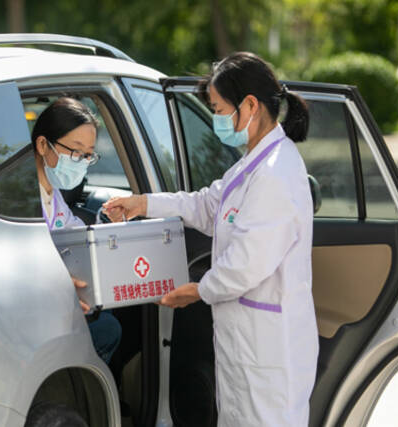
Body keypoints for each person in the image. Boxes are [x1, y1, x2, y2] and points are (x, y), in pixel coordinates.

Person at [104, 52, 318, 426]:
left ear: (250, 105)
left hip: (267, 350)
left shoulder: (275, 174)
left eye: (219, 110)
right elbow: (206, 205)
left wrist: (196, 290)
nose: (217, 120)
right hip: (247, 345)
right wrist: (143, 203)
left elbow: (245, 265)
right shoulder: (252, 165)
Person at [31, 97, 121, 364]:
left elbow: (78, 239)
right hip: (35, 308)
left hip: (60, 301)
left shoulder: (53, 194)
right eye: (75, 152)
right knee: (108, 329)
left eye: (87, 155)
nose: (80, 162)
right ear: (43, 144)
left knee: (108, 319)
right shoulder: (20, 199)